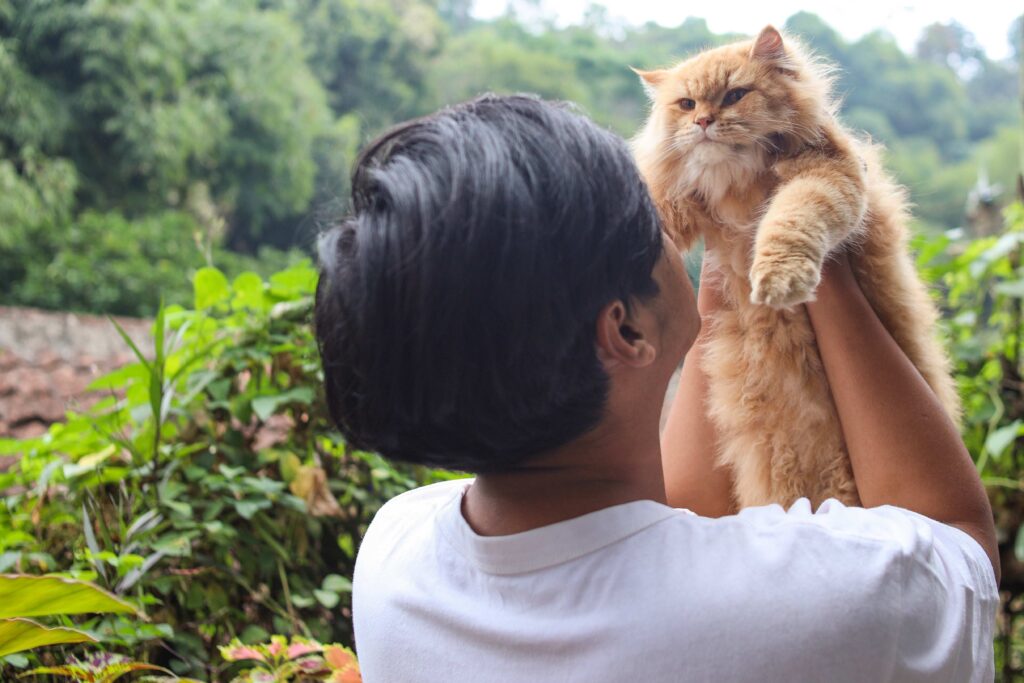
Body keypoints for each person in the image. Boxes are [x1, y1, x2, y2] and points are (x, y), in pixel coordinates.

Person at [314, 94, 999, 682]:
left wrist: (729, 284)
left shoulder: (398, 562)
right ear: (624, 331)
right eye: (649, 218)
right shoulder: (823, 604)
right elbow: (955, 546)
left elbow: (672, 520)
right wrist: (820, 261)